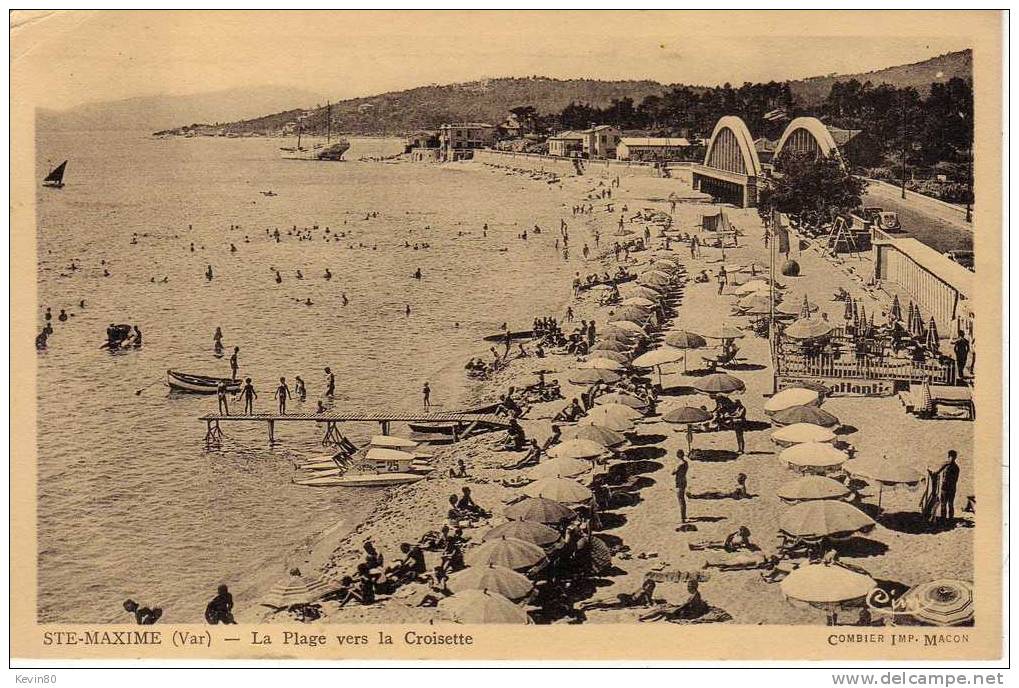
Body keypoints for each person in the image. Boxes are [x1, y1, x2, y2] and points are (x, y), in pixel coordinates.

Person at [937, 450, 961, 523]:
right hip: (945, 488)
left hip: (951, 488)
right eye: (950, 457)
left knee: (950, 504)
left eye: (953, 457)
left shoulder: (956, 468)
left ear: (955, 458)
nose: (951, 459)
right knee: (943, 504)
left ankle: (950, 519)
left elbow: (955, 480)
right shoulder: (945, 465)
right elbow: (937, 472)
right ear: (948, 457)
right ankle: (943, 519)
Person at [673, 450, 689, 525]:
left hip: (679, 482)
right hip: (684, 480)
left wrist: (675, 468)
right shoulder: (685, 463)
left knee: (680, 499)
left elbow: (673, 472)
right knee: (682, 499)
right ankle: (684, 516)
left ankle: (683, 518)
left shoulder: (680, 464)